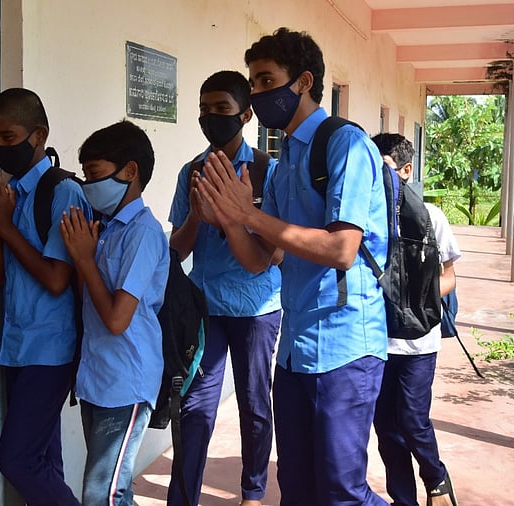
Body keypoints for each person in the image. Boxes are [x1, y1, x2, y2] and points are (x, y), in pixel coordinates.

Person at [196, 28, 391, 505]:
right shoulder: (285, 161)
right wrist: (231, 222)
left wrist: (249, 214)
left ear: (303, 82)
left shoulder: (344, 144)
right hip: (295, 350)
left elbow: (343, 248)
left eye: (266, 81)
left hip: (346, 346)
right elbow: (266, 260)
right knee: (299, 488)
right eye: (254, 83)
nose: (257, 94)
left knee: (343, 490)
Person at [167, 70, 282, 506]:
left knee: (255, 406)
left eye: (221, 109)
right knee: (195, 409)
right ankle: (183, 498)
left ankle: (252, 493)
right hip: (206, 308)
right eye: (204, 109)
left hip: (256, 309)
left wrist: (233, 218)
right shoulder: (192, 171)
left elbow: (273, 254)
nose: (211, 118)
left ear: (246, 114)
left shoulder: (267, 171)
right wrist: (198, 215)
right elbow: (176, 250)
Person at [0, 88, 91, 504]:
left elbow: (58, 280)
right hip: (18, 346)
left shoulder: (62, 193)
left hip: (51, 349)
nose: (0, 148)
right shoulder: (9, 194)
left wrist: (5, 227)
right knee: (43, 457)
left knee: (16, 459)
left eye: (9, 138)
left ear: (38, 135)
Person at [59, 120, 169, 505]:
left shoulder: (142, 232)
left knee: (100, 492)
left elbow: (117, 319)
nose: (88, 185)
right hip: (98, 376)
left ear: (130, 171)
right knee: (113, 489)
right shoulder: (104, 229)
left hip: (126, 380)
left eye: (95, 174)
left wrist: (85, 260)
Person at [370, 133, 460, 506]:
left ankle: (436, 479)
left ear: (406, 170)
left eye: (385, 167)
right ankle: (402, 499)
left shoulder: (431, 217)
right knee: (385, 427)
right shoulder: (365, 216)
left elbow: (450, 276)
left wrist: (415, 296)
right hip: (375, 340)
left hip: (418, 342)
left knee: (411, 417)